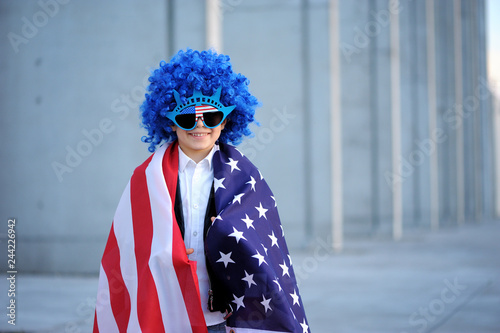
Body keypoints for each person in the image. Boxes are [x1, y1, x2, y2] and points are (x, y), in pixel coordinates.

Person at [93, 49, 309, 333]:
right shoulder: (145, 179)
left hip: (220, 317)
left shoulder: (246, 180)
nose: (199, 125)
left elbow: (264, 252)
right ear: (170, 121)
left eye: (211, 116)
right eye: (186, 118)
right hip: (164, 314)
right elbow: (129, 251)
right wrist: (168, 250)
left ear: (226, 121)